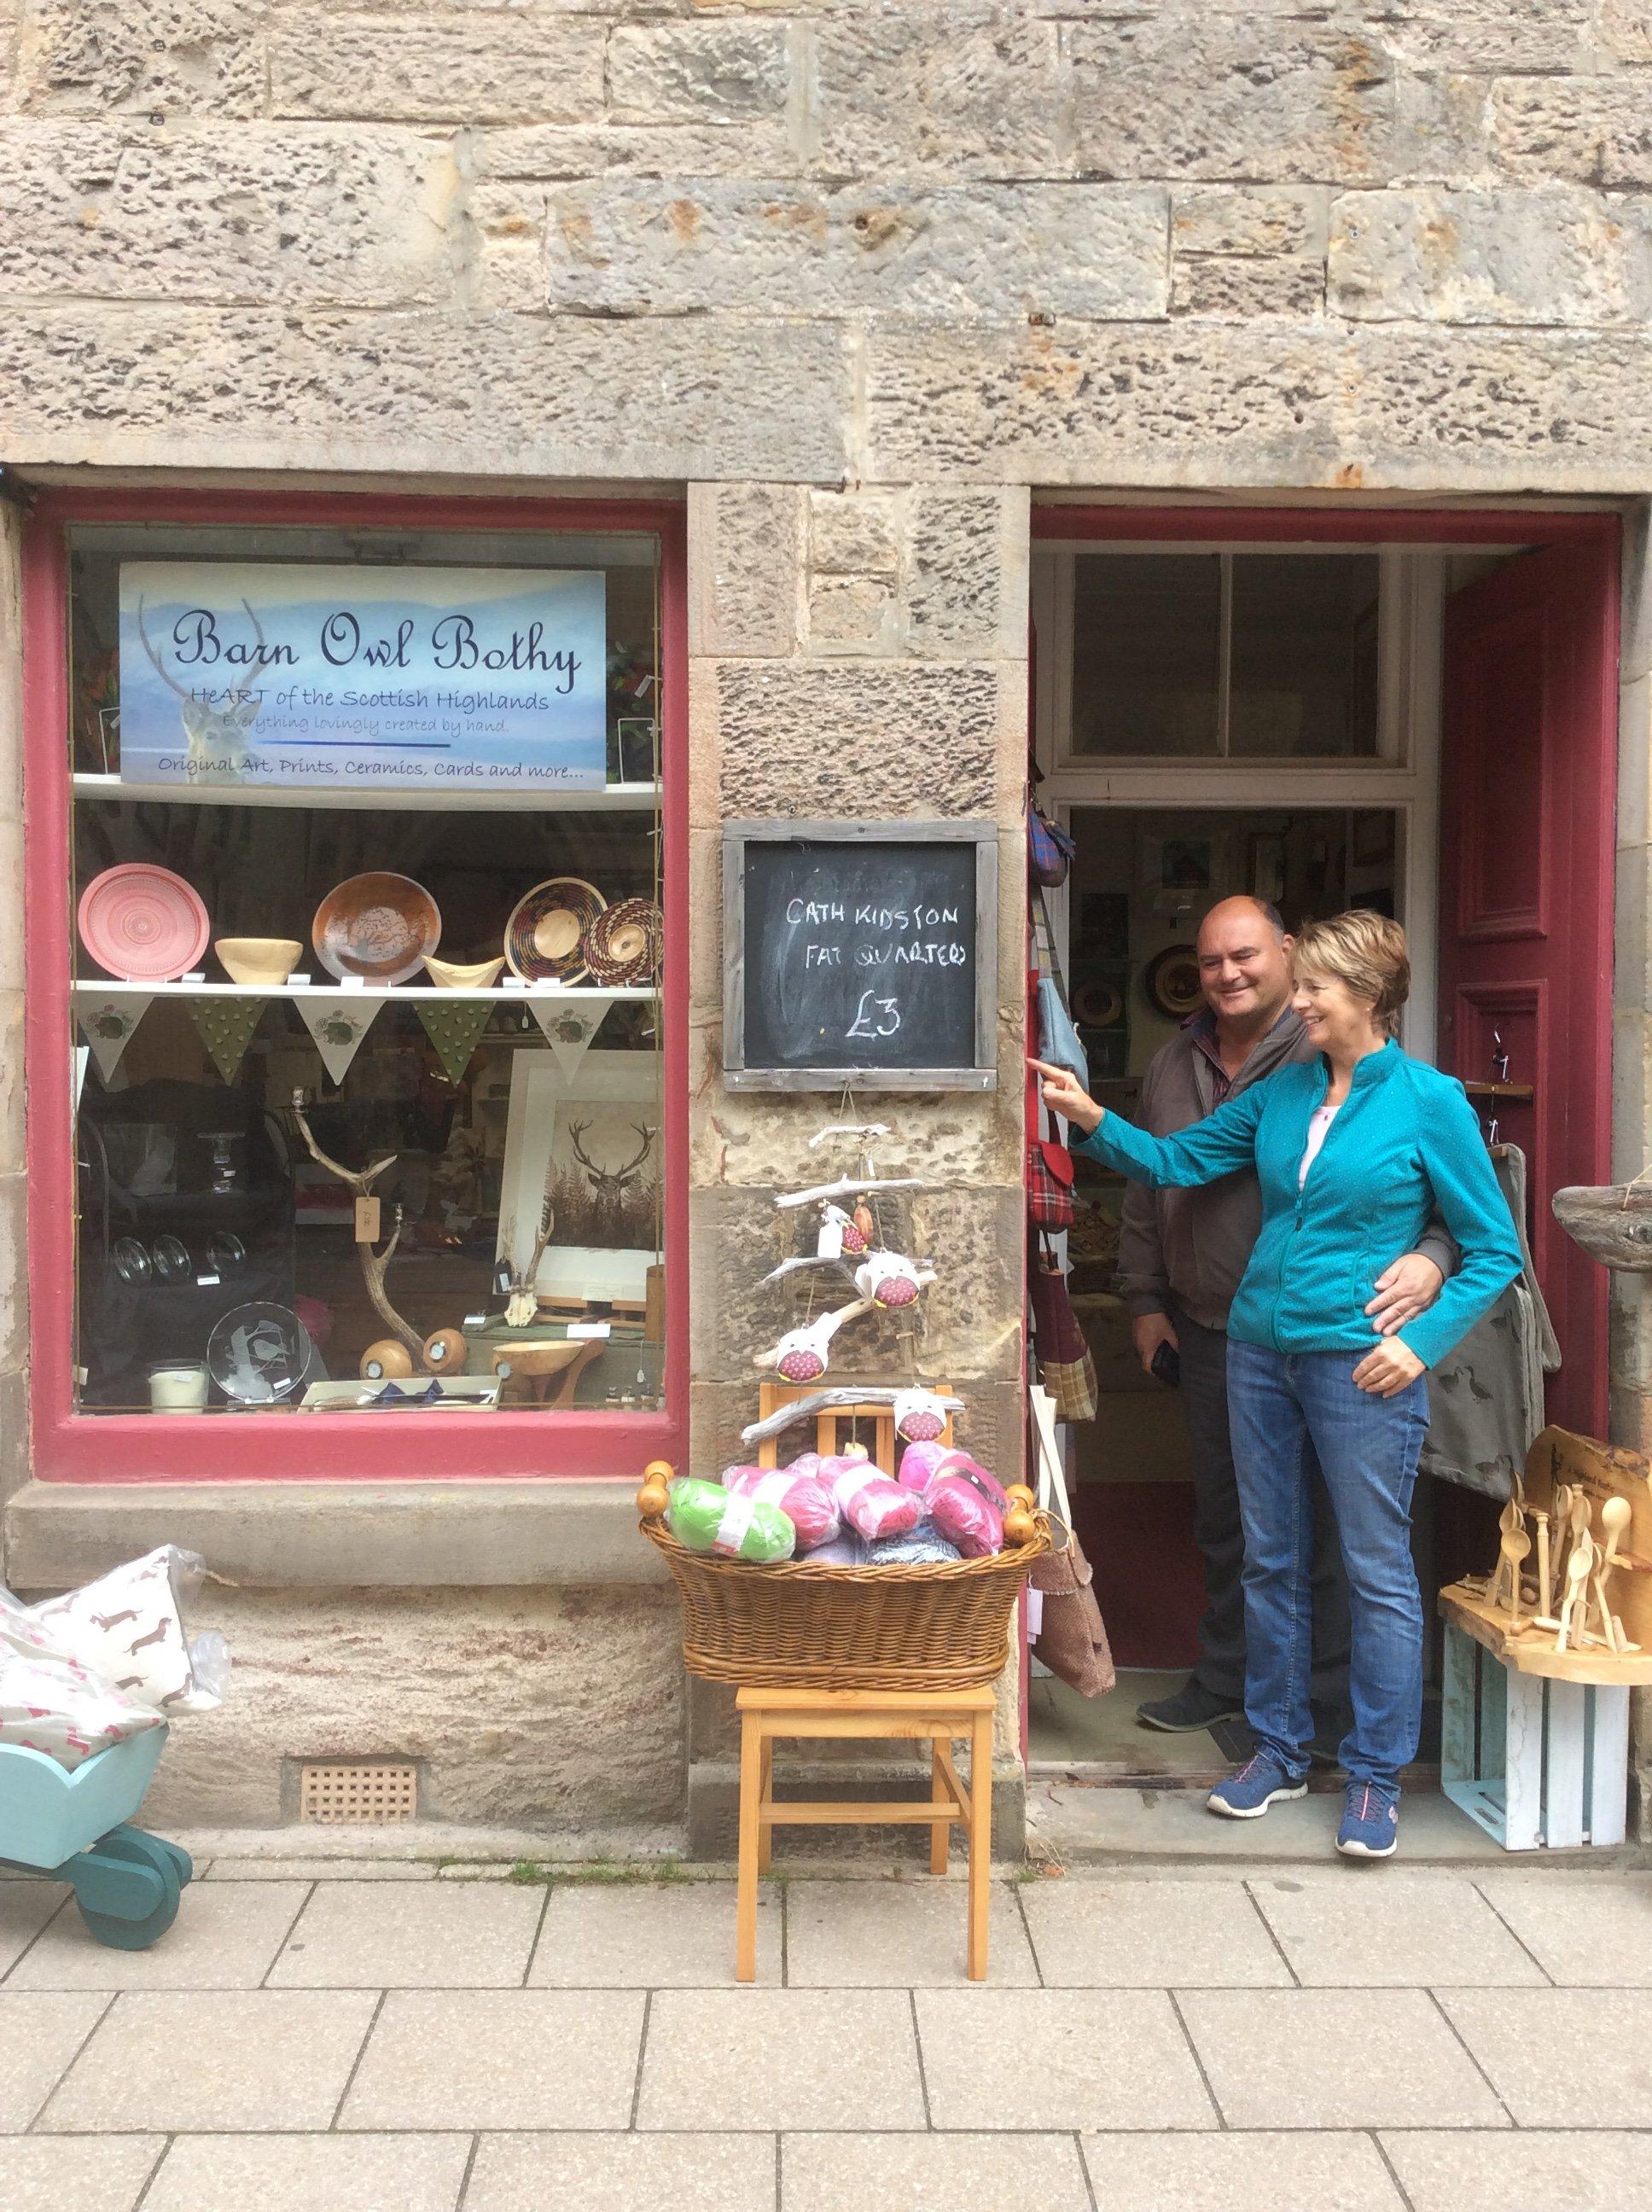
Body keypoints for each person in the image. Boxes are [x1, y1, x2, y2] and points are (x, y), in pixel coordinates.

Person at [1034, 911, 1522, 1860]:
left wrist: (1420, 1345)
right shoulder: (1285, 1090)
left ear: (1368, 996)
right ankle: (1279, 1750)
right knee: (1270, 1558)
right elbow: (1177, 1162)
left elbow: (1492, 1247)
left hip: (1361, 1362)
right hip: (1257, 1351)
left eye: (1315, 988)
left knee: (1376, 1571)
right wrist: (1089, 1118)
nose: (1298, 1003)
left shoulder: (1428, 1101)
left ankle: (1374, 1775)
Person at [1116, 896, 1457, 1751]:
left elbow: (1460, 1221)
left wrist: (1427, 1289)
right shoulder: (1197, 1068)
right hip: (1231, 1336)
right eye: (1210, 961)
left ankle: (1348, 1730)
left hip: (1346, 1343)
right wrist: (1143, 1298)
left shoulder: (1392, 1084)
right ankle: (1253, 1710)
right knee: (1245, 1532)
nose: (1227, 975)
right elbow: (1159, 1172)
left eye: (1248, 957)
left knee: (1352, 1548)